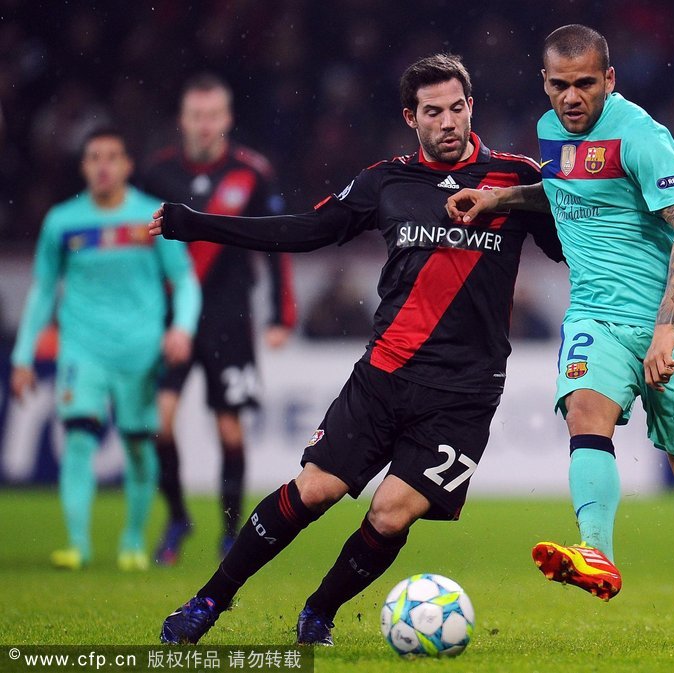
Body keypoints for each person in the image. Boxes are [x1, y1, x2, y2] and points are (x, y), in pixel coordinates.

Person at [152, 53, 563, 645]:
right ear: (410, 117)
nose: (447, 122)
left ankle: (319, 612)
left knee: (392, 512)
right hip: (385, 374)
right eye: (432, 112)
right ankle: (209, 600)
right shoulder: (384, 181)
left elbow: (575, 239)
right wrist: (201, 224)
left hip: (465, 392)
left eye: (456, 108)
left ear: (471, 107)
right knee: (314, 490)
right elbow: (305, 230)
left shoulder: (515, 179)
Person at [446, 24, 674, 649]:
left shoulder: (643, 137)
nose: (571, 98)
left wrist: (667, 329)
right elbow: (567, 193)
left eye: (585, 84)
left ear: (609, 79)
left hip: (668, 323)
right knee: (585, 414)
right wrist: (500, 201)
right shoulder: (547, 131)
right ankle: (596, 553)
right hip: (594, 316)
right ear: (545, 82)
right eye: (560, 85)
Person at [9, 127, 200, 571]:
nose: (103, 166)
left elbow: (185, 279)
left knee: (136, 445)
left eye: (112, 157)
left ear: (128, 166)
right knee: (78, 438)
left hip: (139, 352)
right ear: (84, 166)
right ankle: (78, 544)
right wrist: (23, 356)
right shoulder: (62, 221)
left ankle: (132, 542)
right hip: (82, 350)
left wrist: (183, 329)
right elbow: (42, 291)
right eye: (94, 157)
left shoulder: (149, 217)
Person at [138, 74, 297, 564]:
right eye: (195, 116)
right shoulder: (155, 174)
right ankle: (178, 516)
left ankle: (229, 532)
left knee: (229, 429)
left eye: (213, 116)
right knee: (159, 424)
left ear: (226, 120)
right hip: (171, 321)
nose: (204, 125)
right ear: (182, 121)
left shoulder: (253, 172)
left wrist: (279, 315)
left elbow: (277, 243)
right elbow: (140, 250)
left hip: (232, 314)